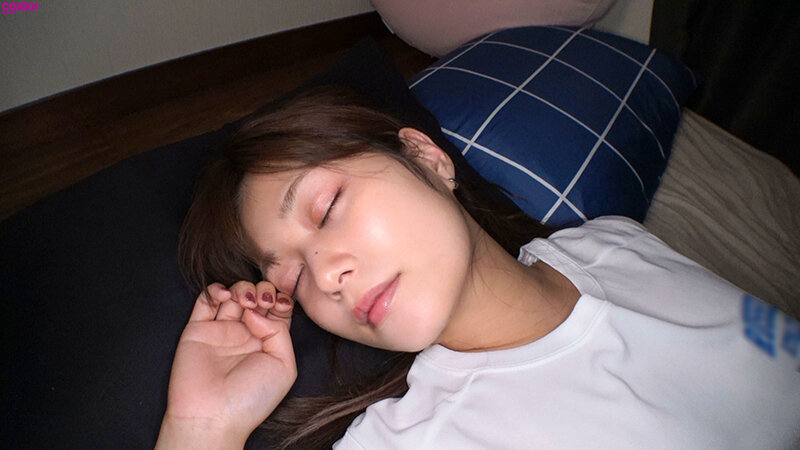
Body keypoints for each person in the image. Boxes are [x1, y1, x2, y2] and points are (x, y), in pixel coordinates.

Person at [155, 87, 800, 449]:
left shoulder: (612, 242)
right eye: (292, 280)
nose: (325, 278)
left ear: (426, 157)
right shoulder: (410, 440)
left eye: (326, 209)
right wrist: (200, 431)